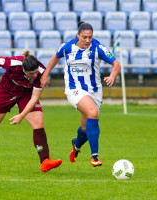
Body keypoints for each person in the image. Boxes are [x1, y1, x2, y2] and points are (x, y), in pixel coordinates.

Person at [0, 50, 62, 173]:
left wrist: (21, 116)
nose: (35, 76)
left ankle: (45, 161)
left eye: (36, 72)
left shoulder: (41, 73)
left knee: (38, 122)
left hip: (26, 94)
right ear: (24, 69)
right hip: (6, 90)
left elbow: (35, 98)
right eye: (31, 74)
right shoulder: (13, 63)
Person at [40, 22, 121, 167]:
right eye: (84, 37)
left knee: (85, 127)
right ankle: (94, 156)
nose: (88, 40)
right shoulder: (67, 47)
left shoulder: (98, 48)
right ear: (78, 35)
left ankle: (76, 146)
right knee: (93, 112)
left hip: (94, 91)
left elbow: (116, 64)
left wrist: (112, 76)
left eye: (90, 37)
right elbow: (54, 58)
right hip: (74, 89)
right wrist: (45, 75)